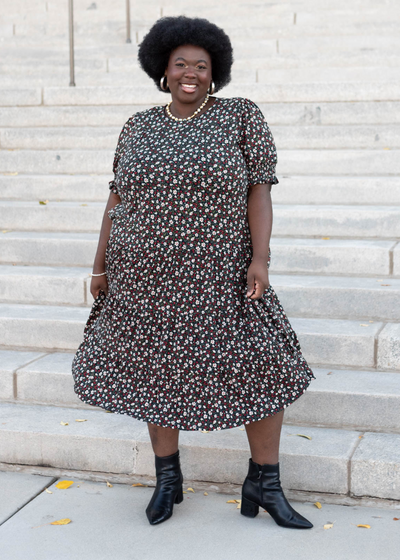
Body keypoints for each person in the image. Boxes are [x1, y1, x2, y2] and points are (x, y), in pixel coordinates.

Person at [72, 15, 315, 529]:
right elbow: (117, 200)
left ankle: (264, 482)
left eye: (201, 66)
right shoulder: (138, 125)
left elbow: (260, 190)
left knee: (260, 365)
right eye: (181, 63)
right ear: (163, 68)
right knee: (156, 370)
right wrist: (100, 266)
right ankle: (168, 481)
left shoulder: (239, 116)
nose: (191, 73)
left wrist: (260, 258)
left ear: (215, 71)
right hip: (144, 274)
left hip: (221, 271)